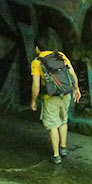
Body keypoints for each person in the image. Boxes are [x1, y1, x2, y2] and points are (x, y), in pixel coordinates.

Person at [30, 36, 81, 164]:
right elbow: (72, 73)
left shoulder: (37, 62)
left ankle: (56, 155)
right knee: (63, 121)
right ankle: (63, 148)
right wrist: (76, 89)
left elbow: (36, 85)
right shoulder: (60, 55)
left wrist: (33, 101)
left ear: (37, 48)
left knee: (53, 125)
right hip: (66, 94)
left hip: (50, 96)